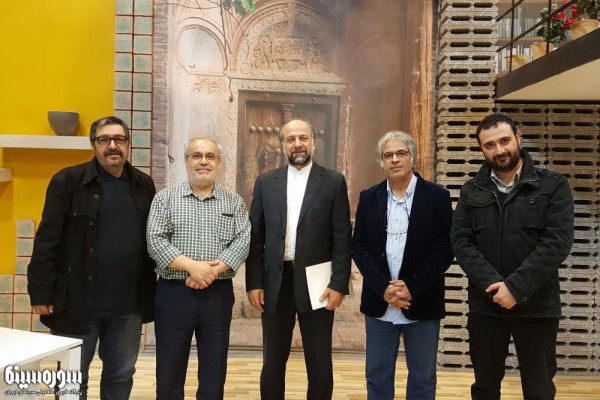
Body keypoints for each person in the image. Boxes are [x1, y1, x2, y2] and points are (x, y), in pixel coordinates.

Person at [27, 116, 157, 400]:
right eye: (104, 139)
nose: (112, 146)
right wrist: (40, 291)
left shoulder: (143, 184)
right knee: (72, 378)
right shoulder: (67, 181)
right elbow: (47, 240)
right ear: (93, 145)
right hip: (77, 302)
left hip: (128, 306)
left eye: (119, 139)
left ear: (129, 144)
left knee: (121, 374)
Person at [451, 113, 574, 400]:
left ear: (518, 138)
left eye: (504, 140)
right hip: (486, 306)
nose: (499, 150)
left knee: (539, 389)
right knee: (484, 387)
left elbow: (557, 242)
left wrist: (515, 288)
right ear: (482, 149)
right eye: (489, 145)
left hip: (538, 307)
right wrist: (495, 286)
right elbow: (461, 242)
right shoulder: (471, 191)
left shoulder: (552, 185)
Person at [245, 119, 352, 400]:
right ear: (282, 145)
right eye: (291, 139)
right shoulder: (266, 182)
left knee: (319, 363)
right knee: (272, 362)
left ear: (313, 142)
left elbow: (342, 237)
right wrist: (254, 283)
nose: (298, 144)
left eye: (303, 138)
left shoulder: (333, 182)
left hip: (318, 283)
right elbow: (256, 237)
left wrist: (339, 284)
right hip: (275, 282)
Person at [351, 131, 453, 400]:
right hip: (379, 303)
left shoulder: (438, 196)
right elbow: (358, 247)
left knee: (422, 379)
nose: (395, 159)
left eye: (401, 153)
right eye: (388, 155)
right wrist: (383, 288)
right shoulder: (369, 198)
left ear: (413, 158)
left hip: (422, 303)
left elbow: (445, 249)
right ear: (381, 162)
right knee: (377, 377)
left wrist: (412, 287)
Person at [146, 137, 250, 400]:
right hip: (174, 294)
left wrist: (212, 271)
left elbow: (243, 240)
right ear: (186, 161)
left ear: (218, 162)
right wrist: (192, 267)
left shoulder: (234, 202)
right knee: (169, 370)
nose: (204, 161)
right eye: (196, 155)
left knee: (214, 372)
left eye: (210, 156)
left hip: (217, 295)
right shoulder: (165, 198)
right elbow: (155, 241)